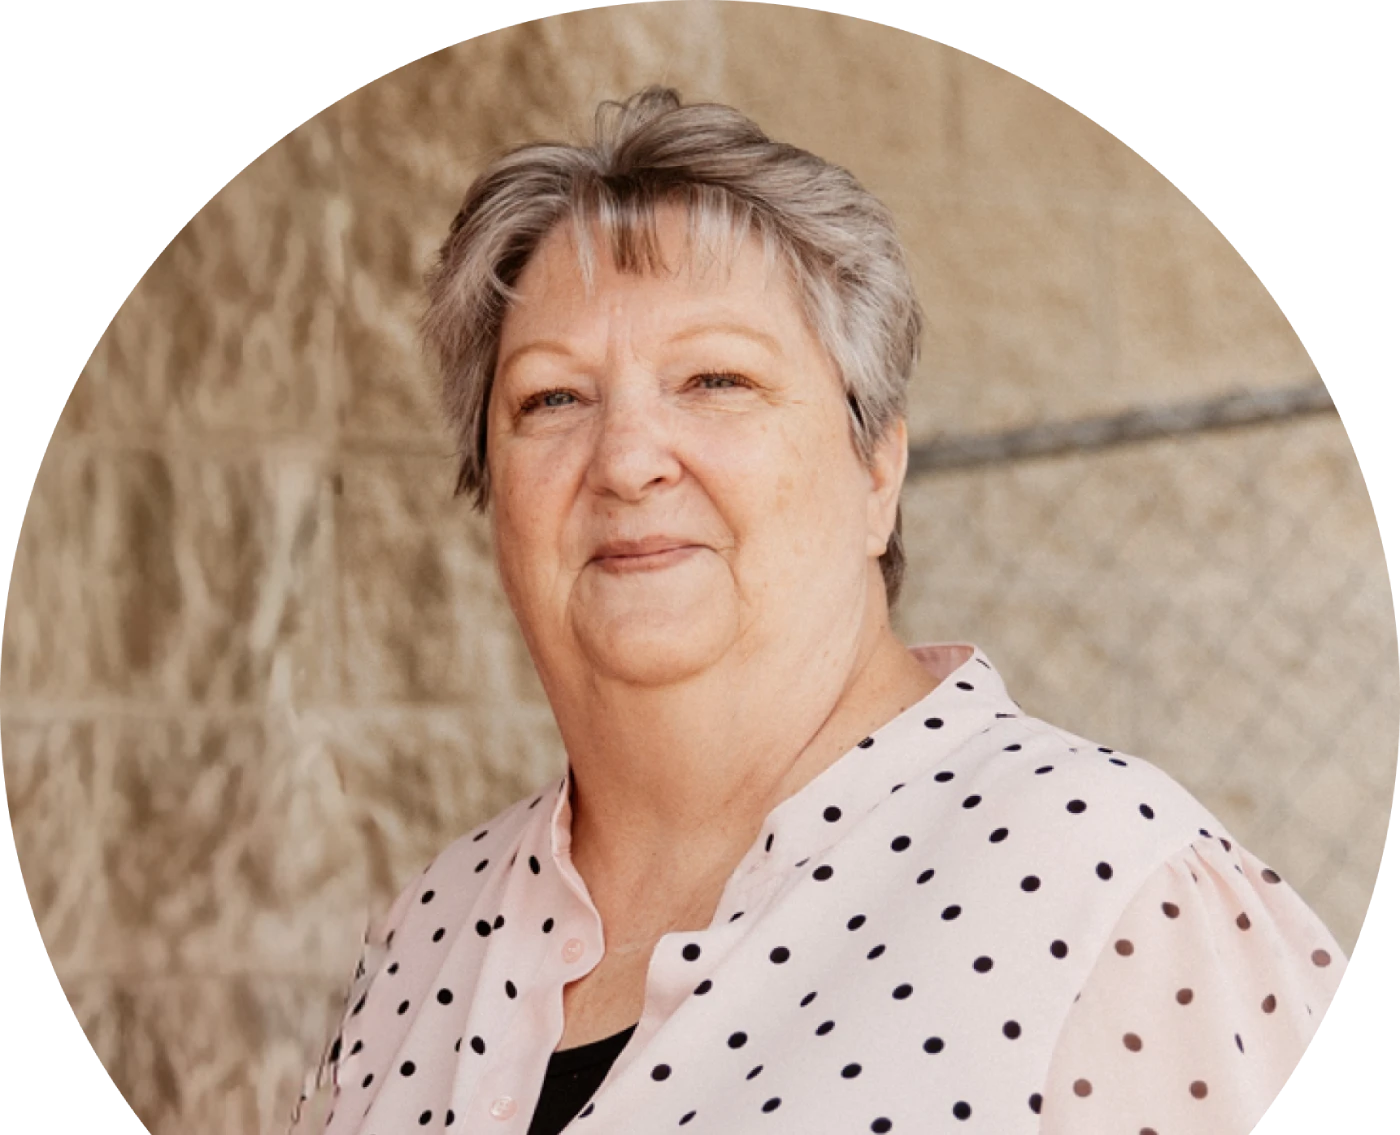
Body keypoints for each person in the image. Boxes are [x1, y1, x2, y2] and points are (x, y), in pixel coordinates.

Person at [288, 87, 1346, 1134]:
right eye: (551, 398)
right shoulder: (428, 932)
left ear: (875, 468)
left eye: (714, 380)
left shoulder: (1108, 889)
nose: (625, 459)